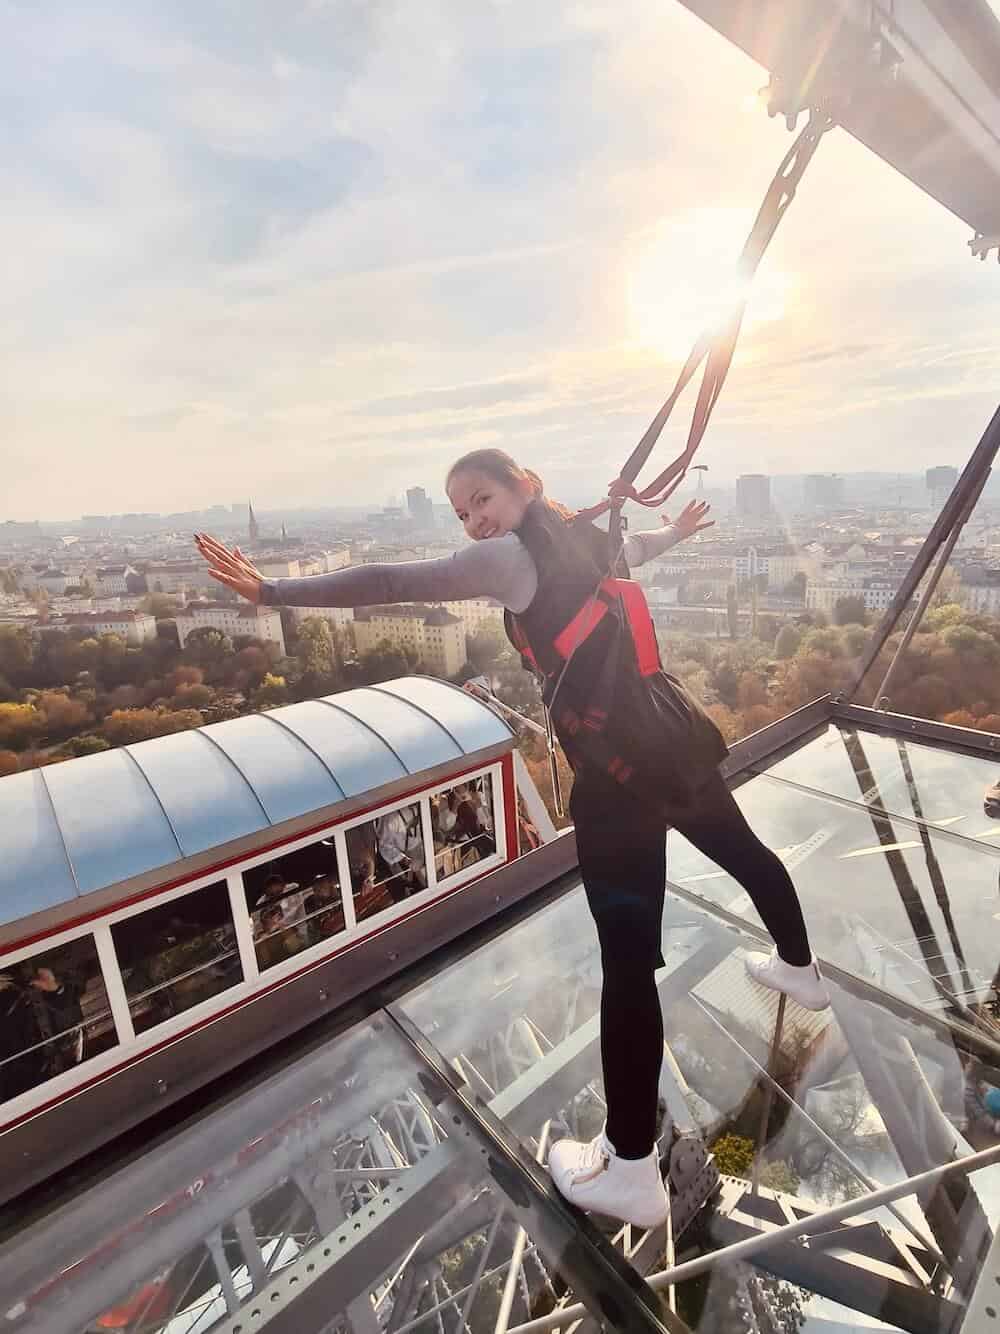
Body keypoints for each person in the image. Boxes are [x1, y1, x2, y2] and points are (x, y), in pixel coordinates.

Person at [194, 447, 828, 1229]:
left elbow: (394, 583)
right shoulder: (575, 531)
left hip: (617, 778)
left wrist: (272, 590)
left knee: (627, 967)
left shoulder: (508, 559)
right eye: (461, 511)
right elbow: (633, 553)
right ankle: (802, 969)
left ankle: (630, 1168)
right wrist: (679, 534)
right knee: (746, 855)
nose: (473, 520)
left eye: (482, 498)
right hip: (671, 736)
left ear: (524, 486)